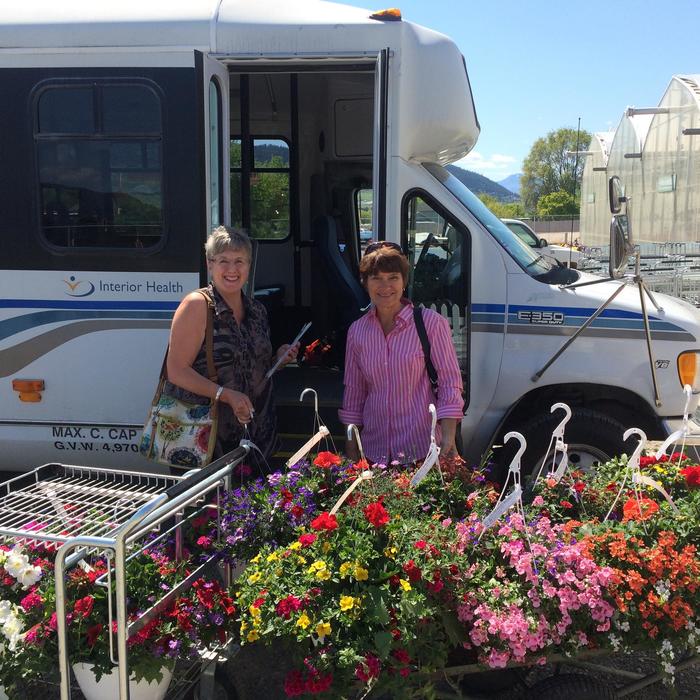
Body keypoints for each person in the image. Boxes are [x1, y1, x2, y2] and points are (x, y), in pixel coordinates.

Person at [164, 226, 298, 464]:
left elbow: (252, 367)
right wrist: (225, 395)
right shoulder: (197, 305)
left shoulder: (257, 310)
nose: (232, 269)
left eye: (240, 261)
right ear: (210, 264)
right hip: (207, 440)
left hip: (256, 436)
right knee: (209, 501)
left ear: (249, 265)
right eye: (223, 260)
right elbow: (176, 371)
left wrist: (278, 358)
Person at [339, 241, 464, 463]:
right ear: (365, 283)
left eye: (393, 278)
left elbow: (449, 384)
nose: (385, 286)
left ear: (404, 282)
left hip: (421, 451)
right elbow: (354, 394)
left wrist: (448, 439)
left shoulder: (431, 324)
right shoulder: (357, 332)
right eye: (376, 278)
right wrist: (351, 450)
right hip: (373, 451)